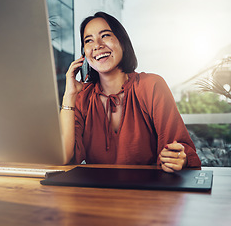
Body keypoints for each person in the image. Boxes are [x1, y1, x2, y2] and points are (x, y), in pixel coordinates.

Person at [60, 11, 201, 173]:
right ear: (84, 54)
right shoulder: (82, 97)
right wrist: (69, 96)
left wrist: (177, 157)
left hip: (147, 193)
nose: (97, 45)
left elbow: (180, 148)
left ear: (123, 42)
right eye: (88, 40)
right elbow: (65, 157)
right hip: (96, 193)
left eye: (105, 35)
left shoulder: (152, 86)